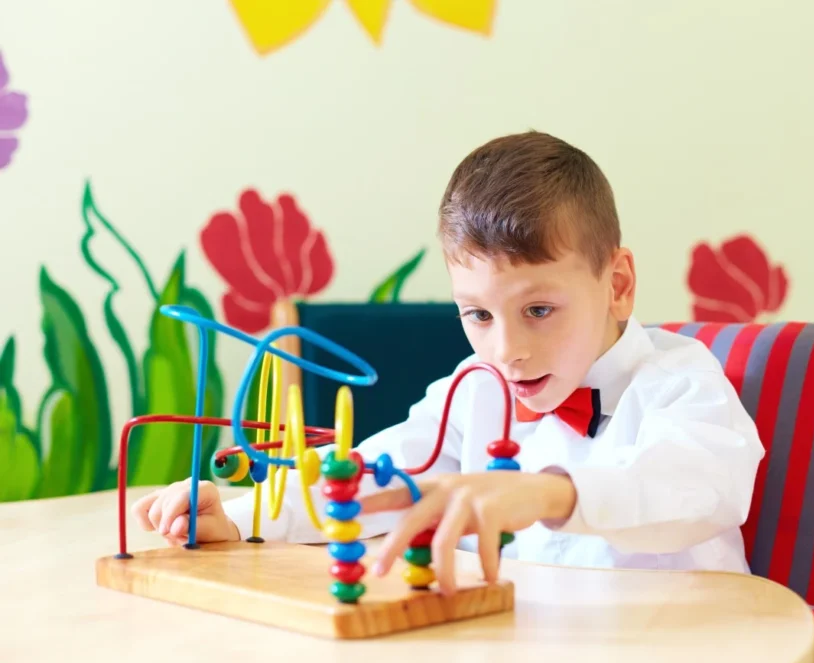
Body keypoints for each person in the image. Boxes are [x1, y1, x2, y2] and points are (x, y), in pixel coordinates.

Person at [132, 131, 765, 596]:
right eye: (478, 316)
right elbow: (374, 480)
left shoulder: (680, 381)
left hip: (673, 654)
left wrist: (544, 493)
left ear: (618, 284)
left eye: (539, 309)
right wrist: (242, 518)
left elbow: (699, 487)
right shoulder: (474, 392)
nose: (506, 350)